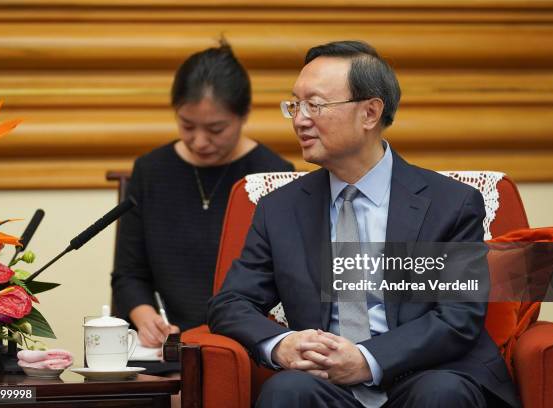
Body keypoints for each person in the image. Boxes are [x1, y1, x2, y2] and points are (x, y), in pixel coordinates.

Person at [208, 41, 520, 407]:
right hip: (325, 385)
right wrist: (283, 344)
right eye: (295, 104)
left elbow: (457, 317)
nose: (299, 119)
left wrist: (366, 359)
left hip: (426, 374)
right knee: (287, 391)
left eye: (315, 105)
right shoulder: (280, 209)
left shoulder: (450, 204)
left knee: (442, 394)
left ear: (370, 113)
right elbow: (231, 302)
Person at [111, 40, 294, 349]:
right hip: (166, 345)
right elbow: (128, 274)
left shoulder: (272, 174)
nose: (199, 141)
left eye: (216, 129)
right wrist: (146, 318)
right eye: (187, 125)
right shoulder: (151, 170)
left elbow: (284, 280)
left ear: (244, 114)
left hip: (243, 344)